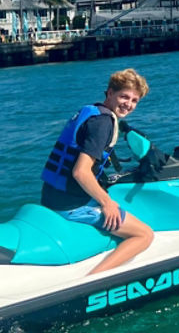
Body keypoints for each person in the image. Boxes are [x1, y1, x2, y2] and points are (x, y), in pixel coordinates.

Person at [40, 68, 155, 275]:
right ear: (110, 93)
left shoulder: (92, 111)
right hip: (70, 205)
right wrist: (107, 203)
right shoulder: (103, 124)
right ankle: (91, 281)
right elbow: (81, 172)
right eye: (124, 96)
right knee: (144, 235)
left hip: (52, 195)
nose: (128, 104)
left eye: (134, 100)